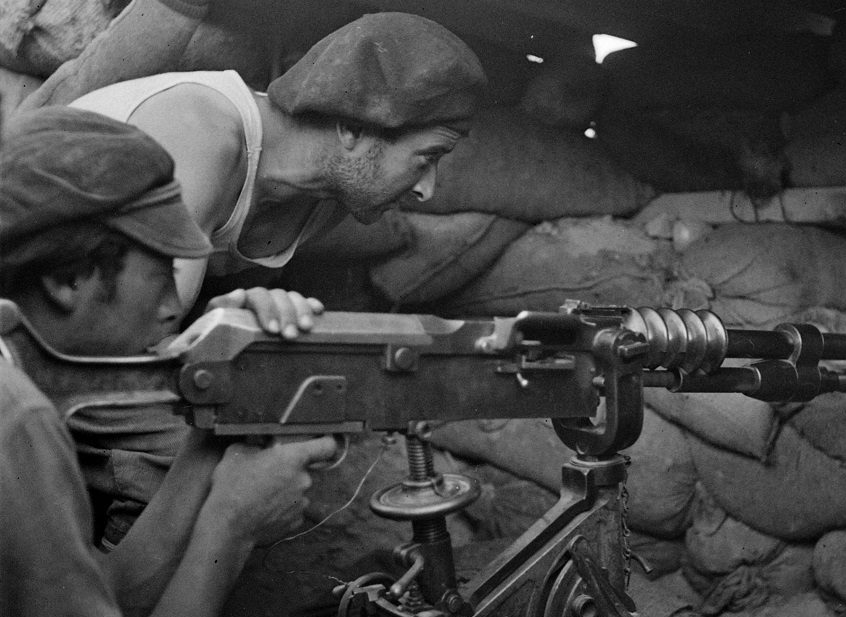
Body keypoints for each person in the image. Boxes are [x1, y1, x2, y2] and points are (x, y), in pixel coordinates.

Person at [0, 106, 340, 617]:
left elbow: (103, 593)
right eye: (162, 271)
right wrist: (232, 526)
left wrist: (212, 431)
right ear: (69, 279)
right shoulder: (18, 418)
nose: (172, 307)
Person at [67, 11, 487, 318]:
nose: (426, 189)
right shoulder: (202, 132)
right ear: (354, 130)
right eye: (427, 157)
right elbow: (135, 330)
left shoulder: (329, 197)